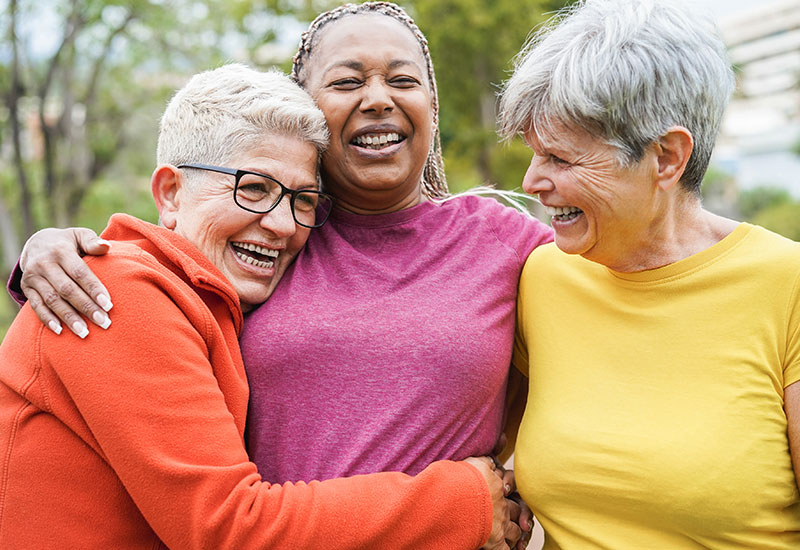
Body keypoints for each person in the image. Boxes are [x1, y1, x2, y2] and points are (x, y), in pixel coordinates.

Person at [11, 2, 551, 547]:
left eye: (403, 79)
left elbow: (614, 295)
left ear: (432, 105)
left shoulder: (502, 245)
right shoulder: (128, 285)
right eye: (346, 81)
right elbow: (226, 523)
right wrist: (465, 500)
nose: (379, 98)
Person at [497, 0, 800, 548]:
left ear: (666, 157)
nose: (532, 179)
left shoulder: (788, 285)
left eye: (562, 159)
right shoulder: (542, 276)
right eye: (534, 153)